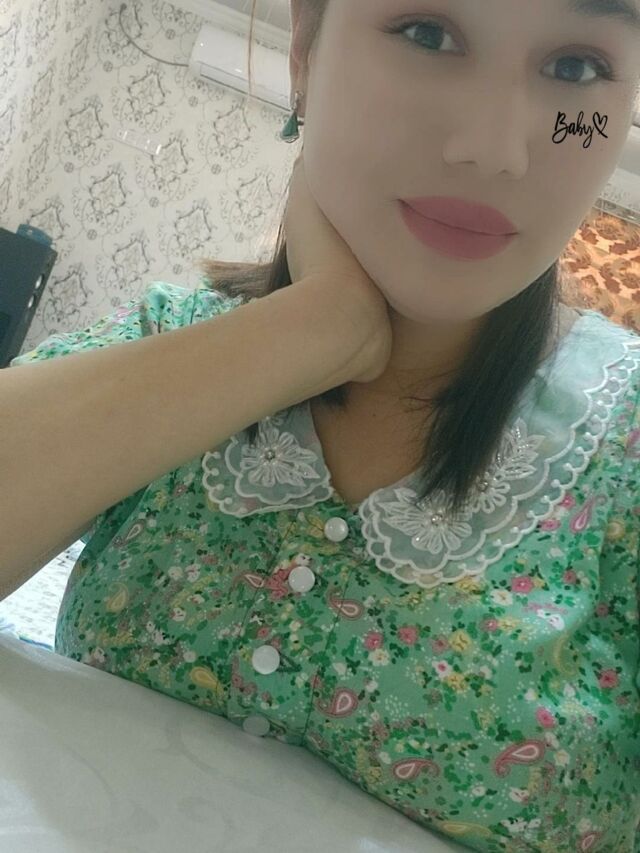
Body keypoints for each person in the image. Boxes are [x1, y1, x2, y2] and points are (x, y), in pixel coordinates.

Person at [3, 1, 640, 850]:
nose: (494, 149)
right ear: (305, 49)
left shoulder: (622, 444)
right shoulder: (172, 345)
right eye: (426, 34)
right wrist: (317, 329)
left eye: (576, 68)